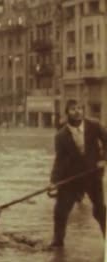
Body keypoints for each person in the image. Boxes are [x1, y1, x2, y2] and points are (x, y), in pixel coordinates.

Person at [49, 99, 107, 247]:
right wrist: (53, 181)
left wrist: (103, 159)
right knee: (60, 211)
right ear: (67, 112)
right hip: (71, 178)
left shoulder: (94, 125)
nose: (78, 111)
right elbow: (60, 160)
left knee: (100, 210)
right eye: (73, 109)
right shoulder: (61, 135)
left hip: (93, 175)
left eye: (80, 108)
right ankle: (57, 242)